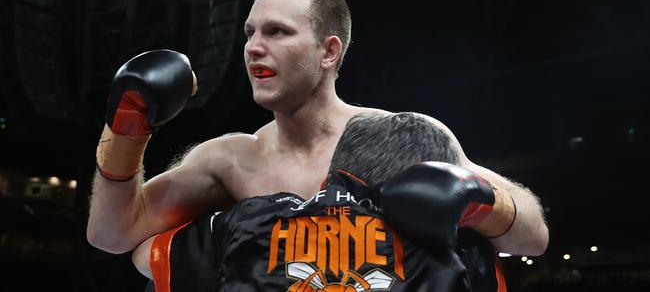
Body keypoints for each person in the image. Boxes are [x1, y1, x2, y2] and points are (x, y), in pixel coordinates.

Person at [86, 0, 548, 258]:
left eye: (277, 32)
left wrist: (481, 202)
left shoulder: (402, 137)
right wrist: (126, 132)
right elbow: (113, 233)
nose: (253, 48)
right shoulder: (228, 160)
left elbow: (532, 237)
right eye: (250, 33)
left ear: (329, 51)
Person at [131, 112, 510, 291]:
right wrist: (481, 205)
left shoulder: (259, 220)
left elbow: (144, 254)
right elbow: (531, 238)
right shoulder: (453, 250)